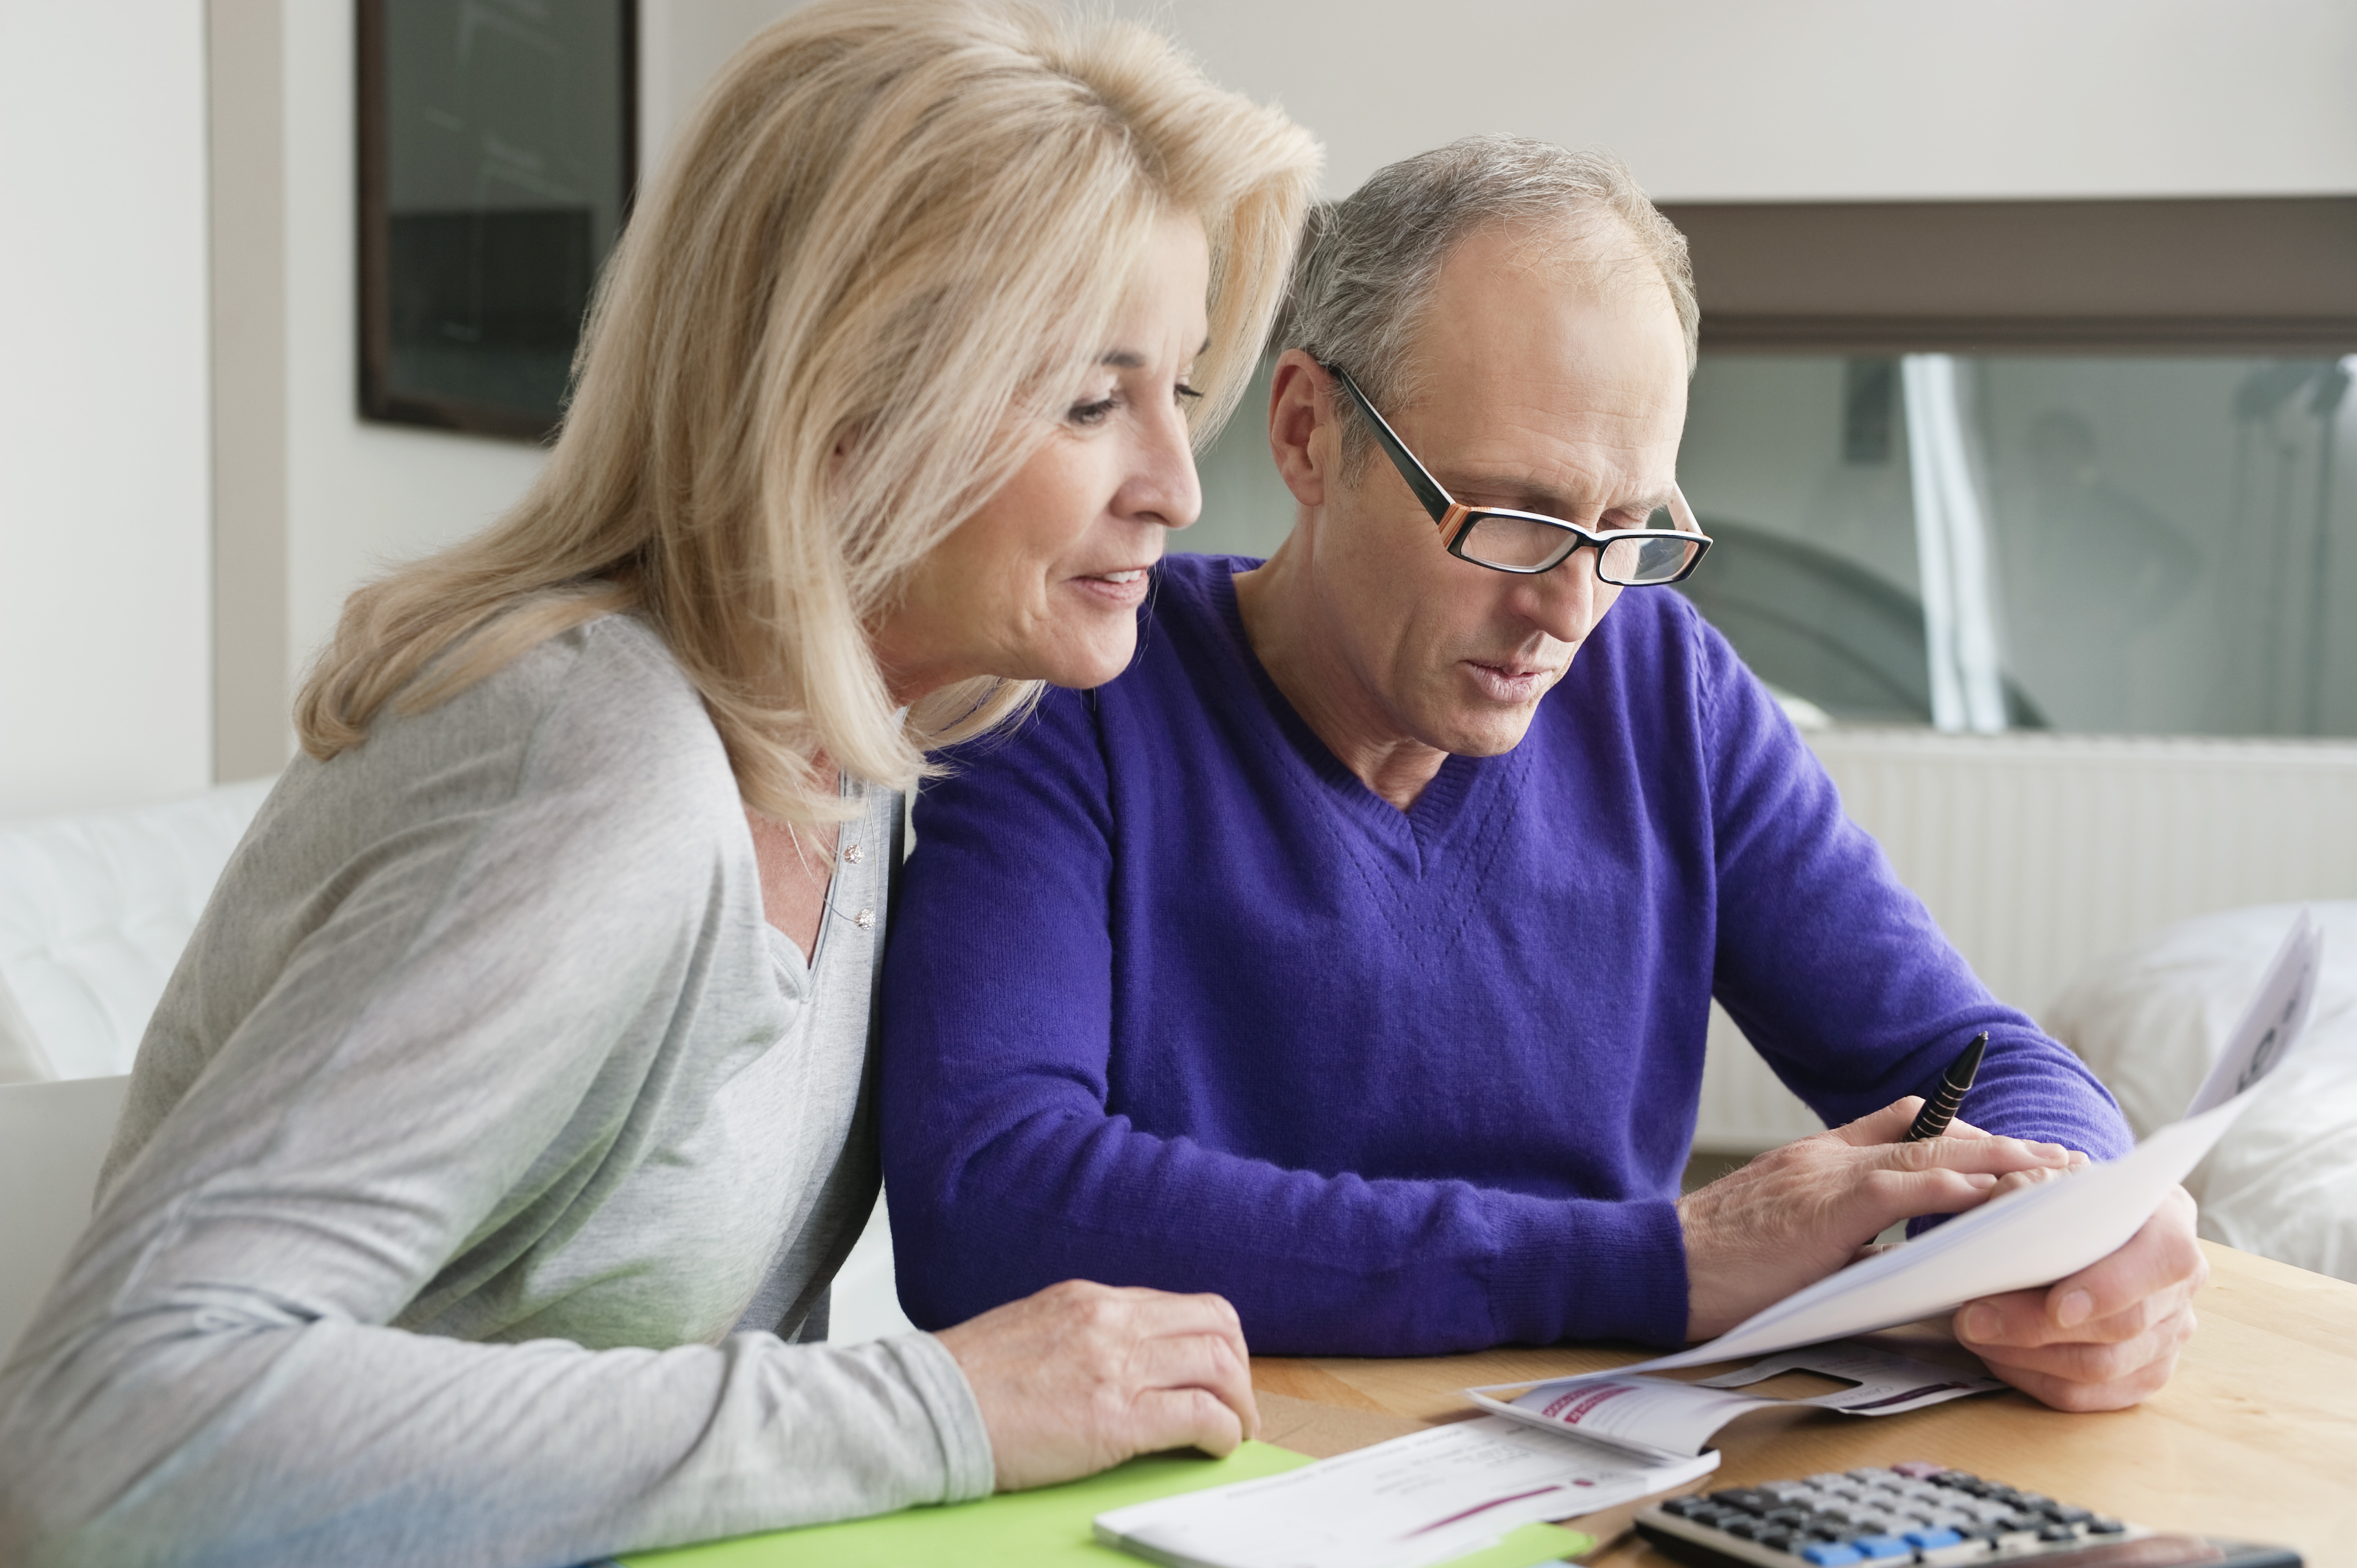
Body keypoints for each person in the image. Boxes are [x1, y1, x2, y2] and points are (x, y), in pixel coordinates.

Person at [0, 5, 1318, 1565]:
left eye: (1176, 392)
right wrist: (938, 1407)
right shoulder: (601, 775)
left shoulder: (851, 754)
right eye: (1095, 401)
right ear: (846, 406)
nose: (1172, 480)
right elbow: (106, 1427)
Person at [879, 137, 2207, 1413]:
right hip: (1213, 1472)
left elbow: (1970, 1057)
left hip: (1587, 1465)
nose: (1571, 611)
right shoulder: (1067, 691)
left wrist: (2067, 1220)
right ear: (1306, 435)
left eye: (1626, 530)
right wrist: (1656, 1262)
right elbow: (988, 1198)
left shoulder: (1662, 686)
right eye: (1514, 520)